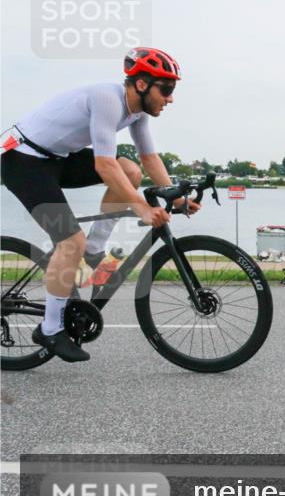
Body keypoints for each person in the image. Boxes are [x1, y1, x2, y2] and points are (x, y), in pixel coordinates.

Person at [0, 47, 200, 363]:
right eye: (168, 89)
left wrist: (174, 197)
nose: (171, 98)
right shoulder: (108, 99)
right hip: (23, 160)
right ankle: (50, 328)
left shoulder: (137, 112)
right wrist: (141, 208)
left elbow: (147, 158)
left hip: (58, 158)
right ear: (142, 84)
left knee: (132, 170)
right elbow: (104, 165)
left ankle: (95, 247)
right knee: (69, 241)